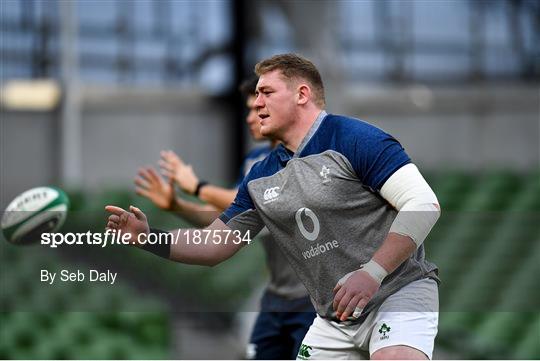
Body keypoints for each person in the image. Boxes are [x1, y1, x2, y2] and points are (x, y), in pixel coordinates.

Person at [106, 53, 441, 360]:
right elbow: (213, 245)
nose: (257, 103)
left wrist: (373, 273)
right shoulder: (260, 175)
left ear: (302, 94)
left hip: (397, 294)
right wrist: (147, 238)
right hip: (335, 317)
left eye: (267, 93)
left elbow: (423, 204)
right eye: (256, 95)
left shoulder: (355, 139)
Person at [133, 76, 316, 360]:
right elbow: (229, 221)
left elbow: (264, 198)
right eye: (249, 108)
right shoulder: (255, 162)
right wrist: (177, 205)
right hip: (275, 298)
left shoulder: (307, 156)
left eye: (258, 108)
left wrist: (197, 186)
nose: (250, 117)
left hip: (314, 301)